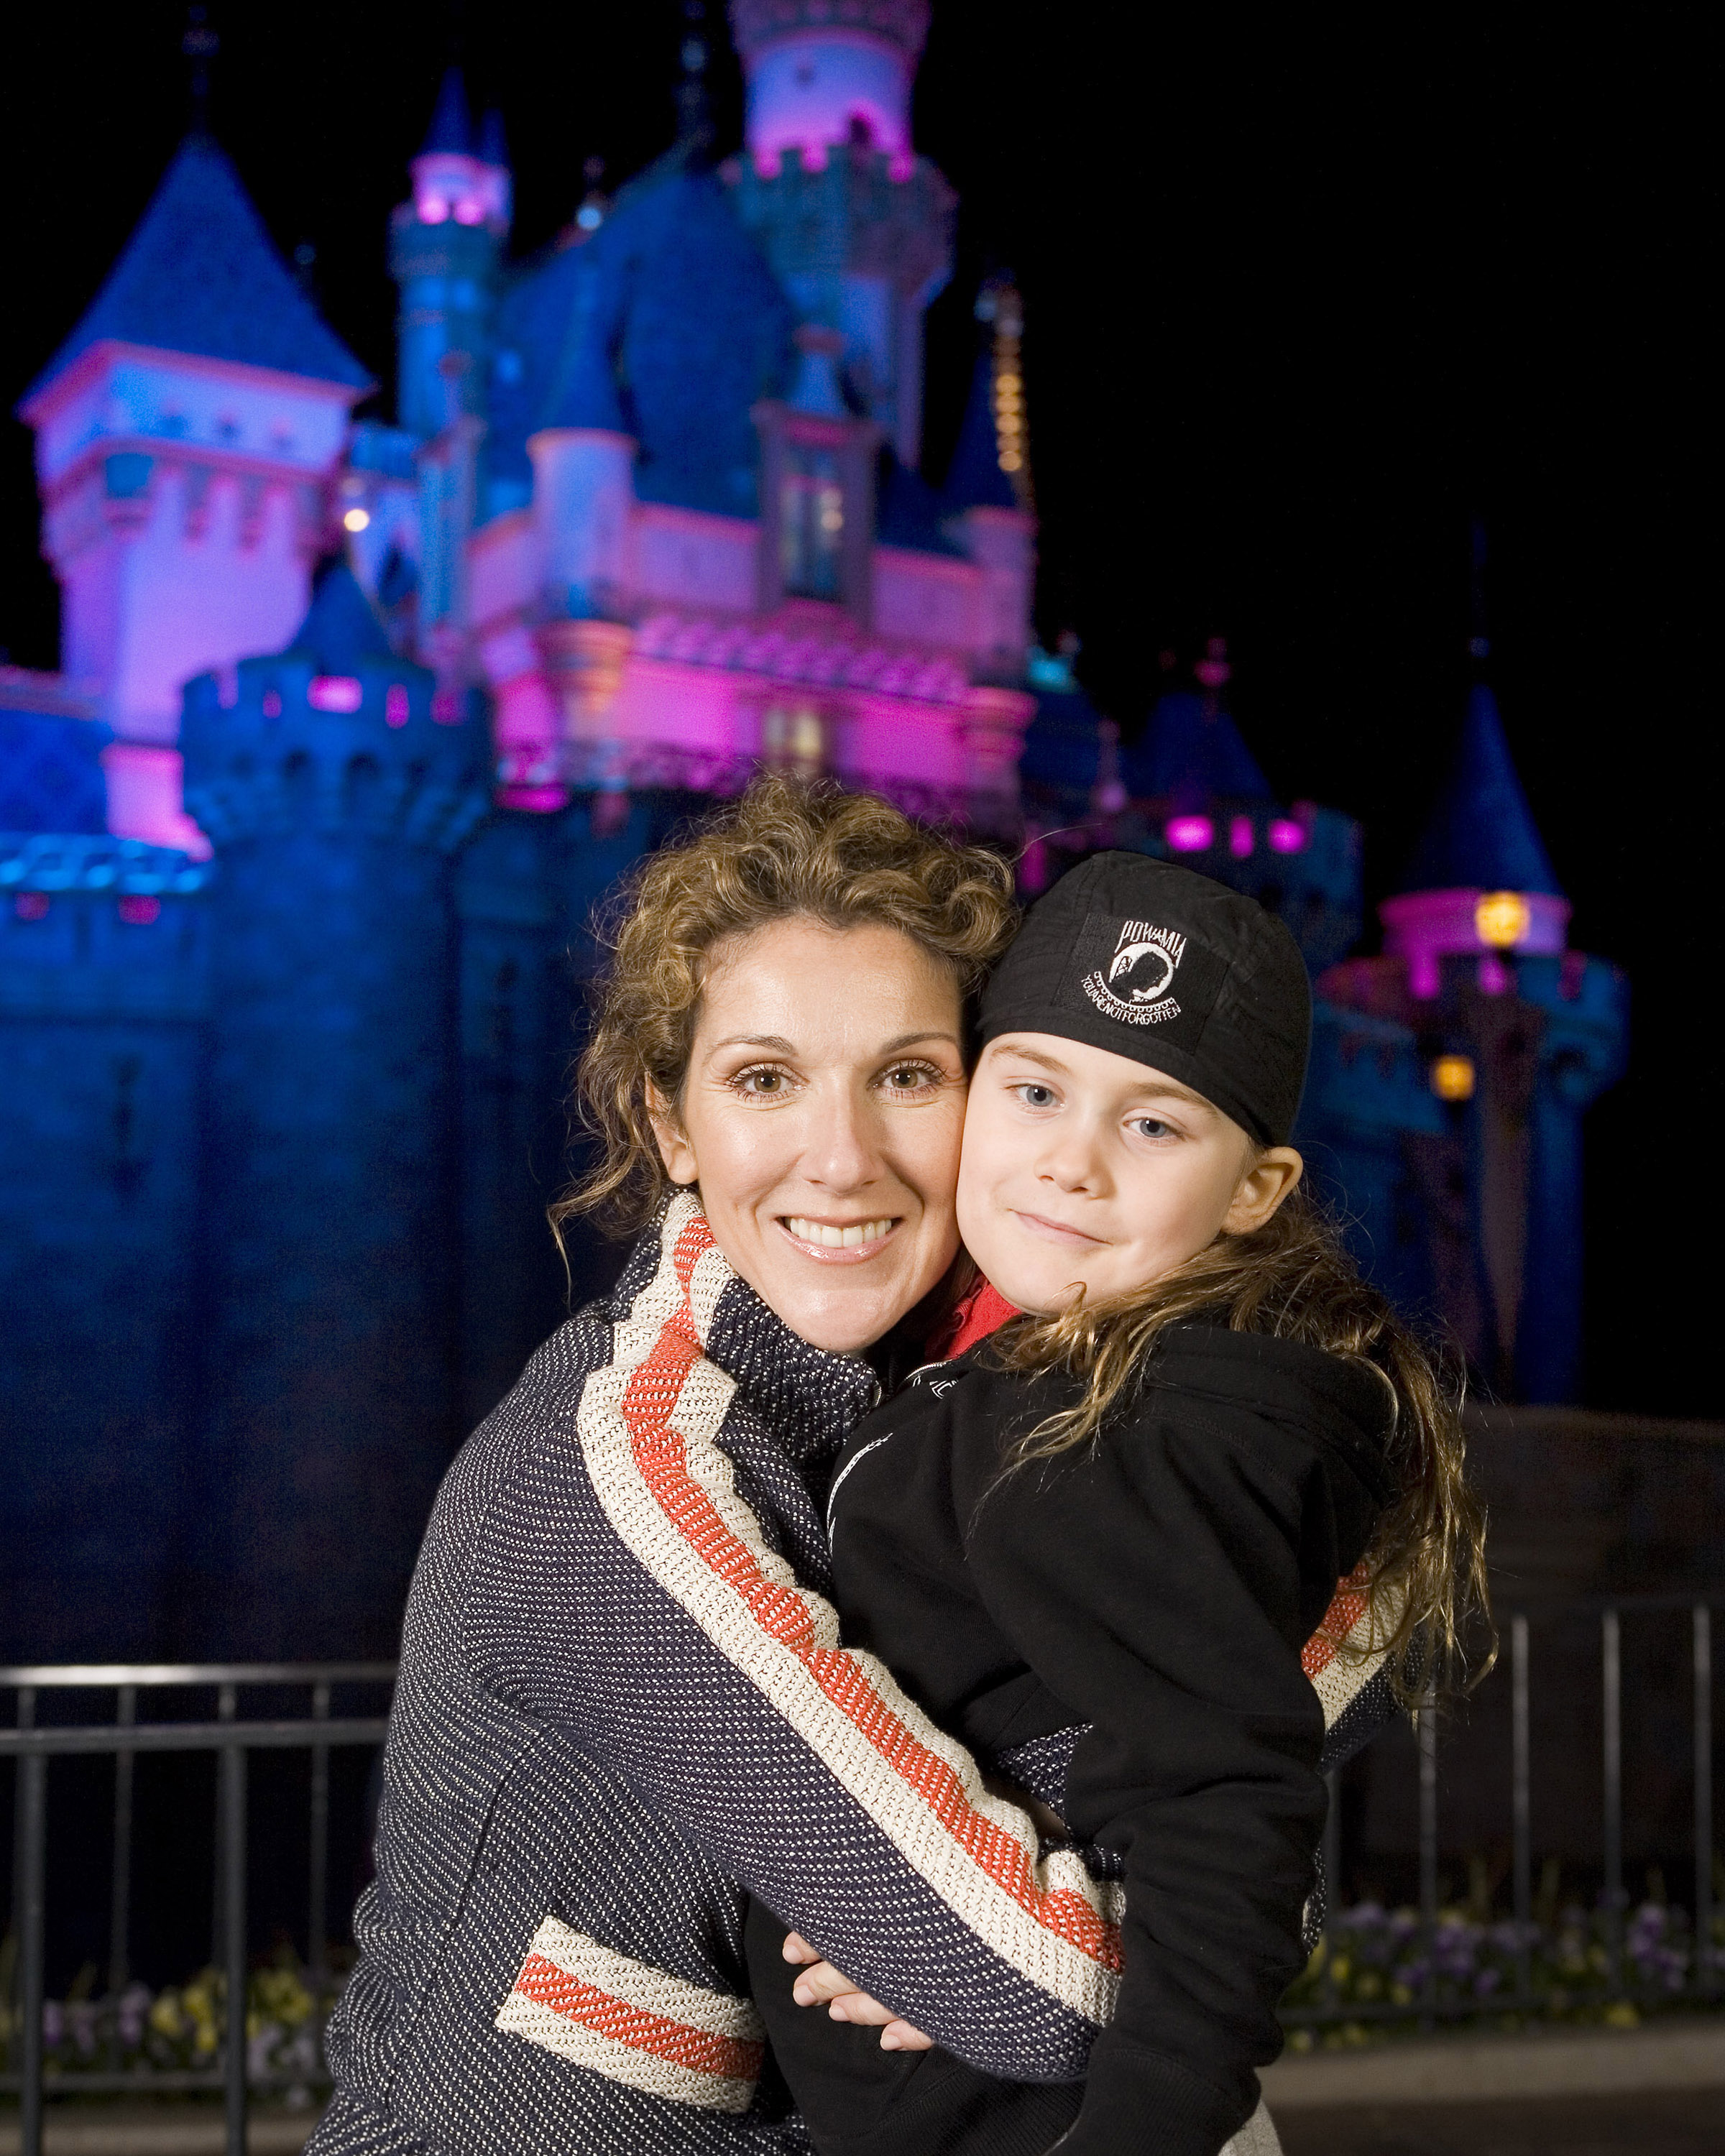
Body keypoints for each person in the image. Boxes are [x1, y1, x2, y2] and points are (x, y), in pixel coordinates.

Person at [311, 783, 1138, 2155]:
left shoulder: (928, 1423)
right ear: (672, 1123)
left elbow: (1216, 1729)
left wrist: (1110, 1885)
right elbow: (1029, 1985)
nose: (842, 1158)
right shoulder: (609, 1475)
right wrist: (1135, 1915)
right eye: (765, 1079)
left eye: (908, 1076)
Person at [753, 853, 1491, 2155]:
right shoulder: (1034, 1376)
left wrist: (1112, 2094)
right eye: (1035, 1091)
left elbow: (1222, 1802)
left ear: (1255, 1191)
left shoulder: (1117, 1434)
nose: (1072, 1166)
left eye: (1153, 1123)